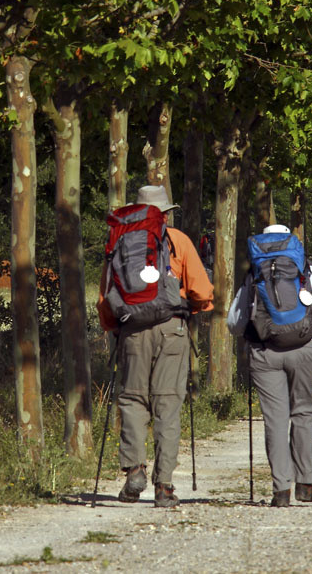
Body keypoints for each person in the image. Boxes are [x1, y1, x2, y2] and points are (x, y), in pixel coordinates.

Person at [97, 185, 214, 508]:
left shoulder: (120, 239)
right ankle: (164, 486)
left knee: (133, 399)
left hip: (132, 330)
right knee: (167, 405)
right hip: (171, 329)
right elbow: (203, 292)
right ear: (165, 212)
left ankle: (134, 469)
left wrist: (114, 326)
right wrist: (193, 307)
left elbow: (106, 294)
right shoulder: (178, 240)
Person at [227, 224, 312, 507]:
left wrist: (250, 334)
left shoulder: (255, 271)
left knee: (275, 419)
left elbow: (234, 322)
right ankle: (305, 484)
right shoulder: (305, 268)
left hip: (265, 352)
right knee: (302, 412)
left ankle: (281, 491)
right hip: (304, 348)